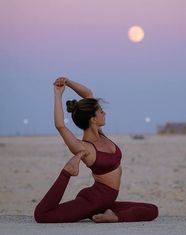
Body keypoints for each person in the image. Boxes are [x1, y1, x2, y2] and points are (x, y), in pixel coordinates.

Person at [34, 77, 159, 223]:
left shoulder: (101, 134)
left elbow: (88, 94)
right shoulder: (84, 147)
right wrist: (57, 94)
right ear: (93, 119)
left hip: (104, 201)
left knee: (152, 210)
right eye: (101, 111)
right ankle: (67, 173)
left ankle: (108, 215)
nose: (104, 113)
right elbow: (60, 126)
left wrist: (67, 82)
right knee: (42, 215)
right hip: (94, 201)